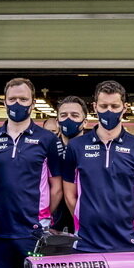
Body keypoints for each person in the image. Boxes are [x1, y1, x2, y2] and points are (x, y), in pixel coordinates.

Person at [0, 77, 65, 268]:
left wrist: (43, 215)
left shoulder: (47, 140)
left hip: (33, 233)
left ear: (32, 102)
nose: (17, 103)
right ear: (5, 102)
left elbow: (56, 187)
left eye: (23, 99)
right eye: (12, 99)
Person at [65, 82, 134, 253]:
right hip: (86, 242)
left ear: (125, 108)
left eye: (115, 106)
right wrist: (83, 220)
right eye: (103, 106)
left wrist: (131, 221)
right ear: (94, 107)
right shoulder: (76, 146)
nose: (109, 111)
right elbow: (70, 195)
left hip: (126, 241)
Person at [49, 95, 92, 235]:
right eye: (64, 115)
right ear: (57, 121)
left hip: (88, 225)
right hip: (52, 225)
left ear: (85, 122)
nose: (69, 119)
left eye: (74, 115)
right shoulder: (47, 150)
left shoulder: (95, 151)